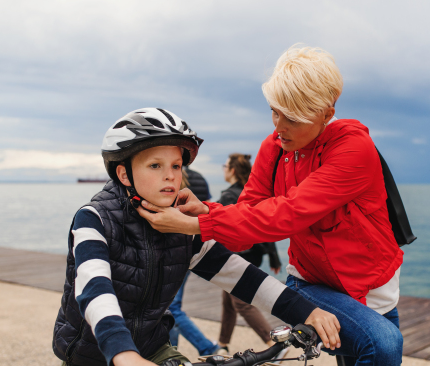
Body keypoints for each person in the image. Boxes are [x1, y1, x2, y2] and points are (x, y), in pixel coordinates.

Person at [138, 46, 404, 366]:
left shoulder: (353, 149)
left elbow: (289, 212)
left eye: (291, 117)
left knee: (378, 350)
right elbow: (250, 218)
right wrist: (207, 211)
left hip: (375, 289)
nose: (279, 126)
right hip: (312, 282)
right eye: (274, 111)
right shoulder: (274, 148)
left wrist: (197, 226)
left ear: (326, 114)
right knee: (385, 345)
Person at [52, 107, 341, 366]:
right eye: (155, 165)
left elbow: (243, 278)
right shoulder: (95, 218)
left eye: (176, 166)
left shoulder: (182, 224)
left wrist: (308, 312)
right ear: (124, 175)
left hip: (153, 350)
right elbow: (95, 290)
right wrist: (123, 354)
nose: (170, 176)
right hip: (95, 355)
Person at [216, 153, 283, 357]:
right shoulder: (251, 193)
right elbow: (264, 225)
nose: (223, 169)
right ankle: (222, 342)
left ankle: (273, 344)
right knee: (228, 299)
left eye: (225, 166)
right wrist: (274, 257)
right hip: (254, 253)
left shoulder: (228, 196)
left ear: (233, 170)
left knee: (242, 303)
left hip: (237, 255)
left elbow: (221, 227)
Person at [168, 168, 218, 356]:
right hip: (196, 242)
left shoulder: (168, 183)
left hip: (178, 248)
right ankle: (173, 351)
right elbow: (206, 206)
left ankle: (202, 348)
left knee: (170, 307)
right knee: (171, 306)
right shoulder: (200, 177)